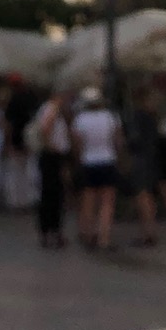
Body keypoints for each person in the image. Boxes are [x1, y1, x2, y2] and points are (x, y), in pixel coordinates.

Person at [70, 87, 123, 250]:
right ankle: (104, 238)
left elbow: (77, 145)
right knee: (107, 203)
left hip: (88, 162)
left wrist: (77, 161)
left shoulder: (80, 120)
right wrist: (119, 157)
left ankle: (88, 235)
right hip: (107, 160)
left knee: (88, 201)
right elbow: (118, 141)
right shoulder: (111, 117)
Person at [117, 86, 163, 247]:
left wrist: (124, 156)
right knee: (148, 196)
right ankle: (150, 231)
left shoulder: (136, 117)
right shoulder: (152, 117)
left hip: (139, 159)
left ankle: (147, 233)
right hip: (151, 159)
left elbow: (133, 140)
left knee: (142, 196)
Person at [31, 91, 72, 249]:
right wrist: (51, 146)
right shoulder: (51, 109)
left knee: (54, 194)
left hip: (52, 155)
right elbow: (45, 128)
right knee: (52, 194)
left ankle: (52, 230)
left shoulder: (53, 110)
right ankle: (50, 230)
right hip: (52, 156)